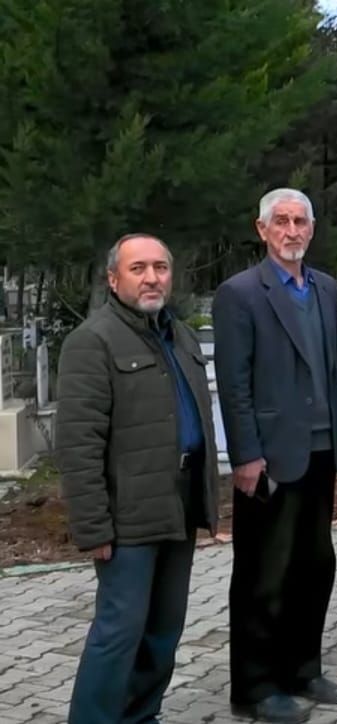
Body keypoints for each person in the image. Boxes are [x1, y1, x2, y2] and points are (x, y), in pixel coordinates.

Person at [57, 233, 219, 724]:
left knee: (164, 630)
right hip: (128, 516)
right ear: (113, 279)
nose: (152, 278)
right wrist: (93, 527)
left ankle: (140, 716)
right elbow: (78, 444)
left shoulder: (182, 336)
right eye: (138, 268)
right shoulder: (93, 341)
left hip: (181, 504)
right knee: (118, 633)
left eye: (161, 267)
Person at [214, 188, 337, 723]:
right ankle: (254, 687)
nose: (292, 230)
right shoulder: (240, 294)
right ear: (262, 229)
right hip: (271, 457)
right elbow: (234, 385)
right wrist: (246, 455)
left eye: (301, 221)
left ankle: (303, 666)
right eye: (282, 221)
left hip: (321, 451)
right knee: (263, 572)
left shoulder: (323, 288)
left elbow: (336, 364)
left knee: (314, 563)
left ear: (311, 230)